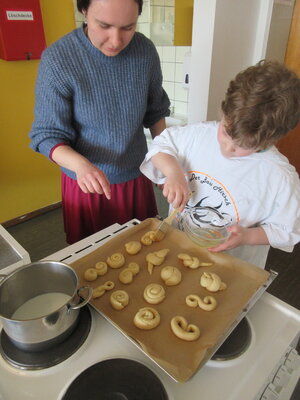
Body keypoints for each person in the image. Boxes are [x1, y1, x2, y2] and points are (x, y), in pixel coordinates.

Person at [29, 0, 170, 244]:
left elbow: (155, 110)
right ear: (84, 11)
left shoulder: (144, 50)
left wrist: (166, 156)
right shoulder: (59, 59)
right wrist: (81, 165)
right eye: (104, 25)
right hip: (86, 183)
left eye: (128, 27)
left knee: (143, 248)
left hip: (135, 177)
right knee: (91, 258)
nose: (115, 40)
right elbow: (46, 135)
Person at [140, 60, 300, 268]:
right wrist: (173, 172)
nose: (228, 146)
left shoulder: (279, 178)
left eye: (243, 145)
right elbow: (160, 145)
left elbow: (288, 230)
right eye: (225, 131)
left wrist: (247, 237)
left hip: (230, 266)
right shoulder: (197, 135)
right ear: (223, 112)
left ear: (270, 140)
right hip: (178, 248)